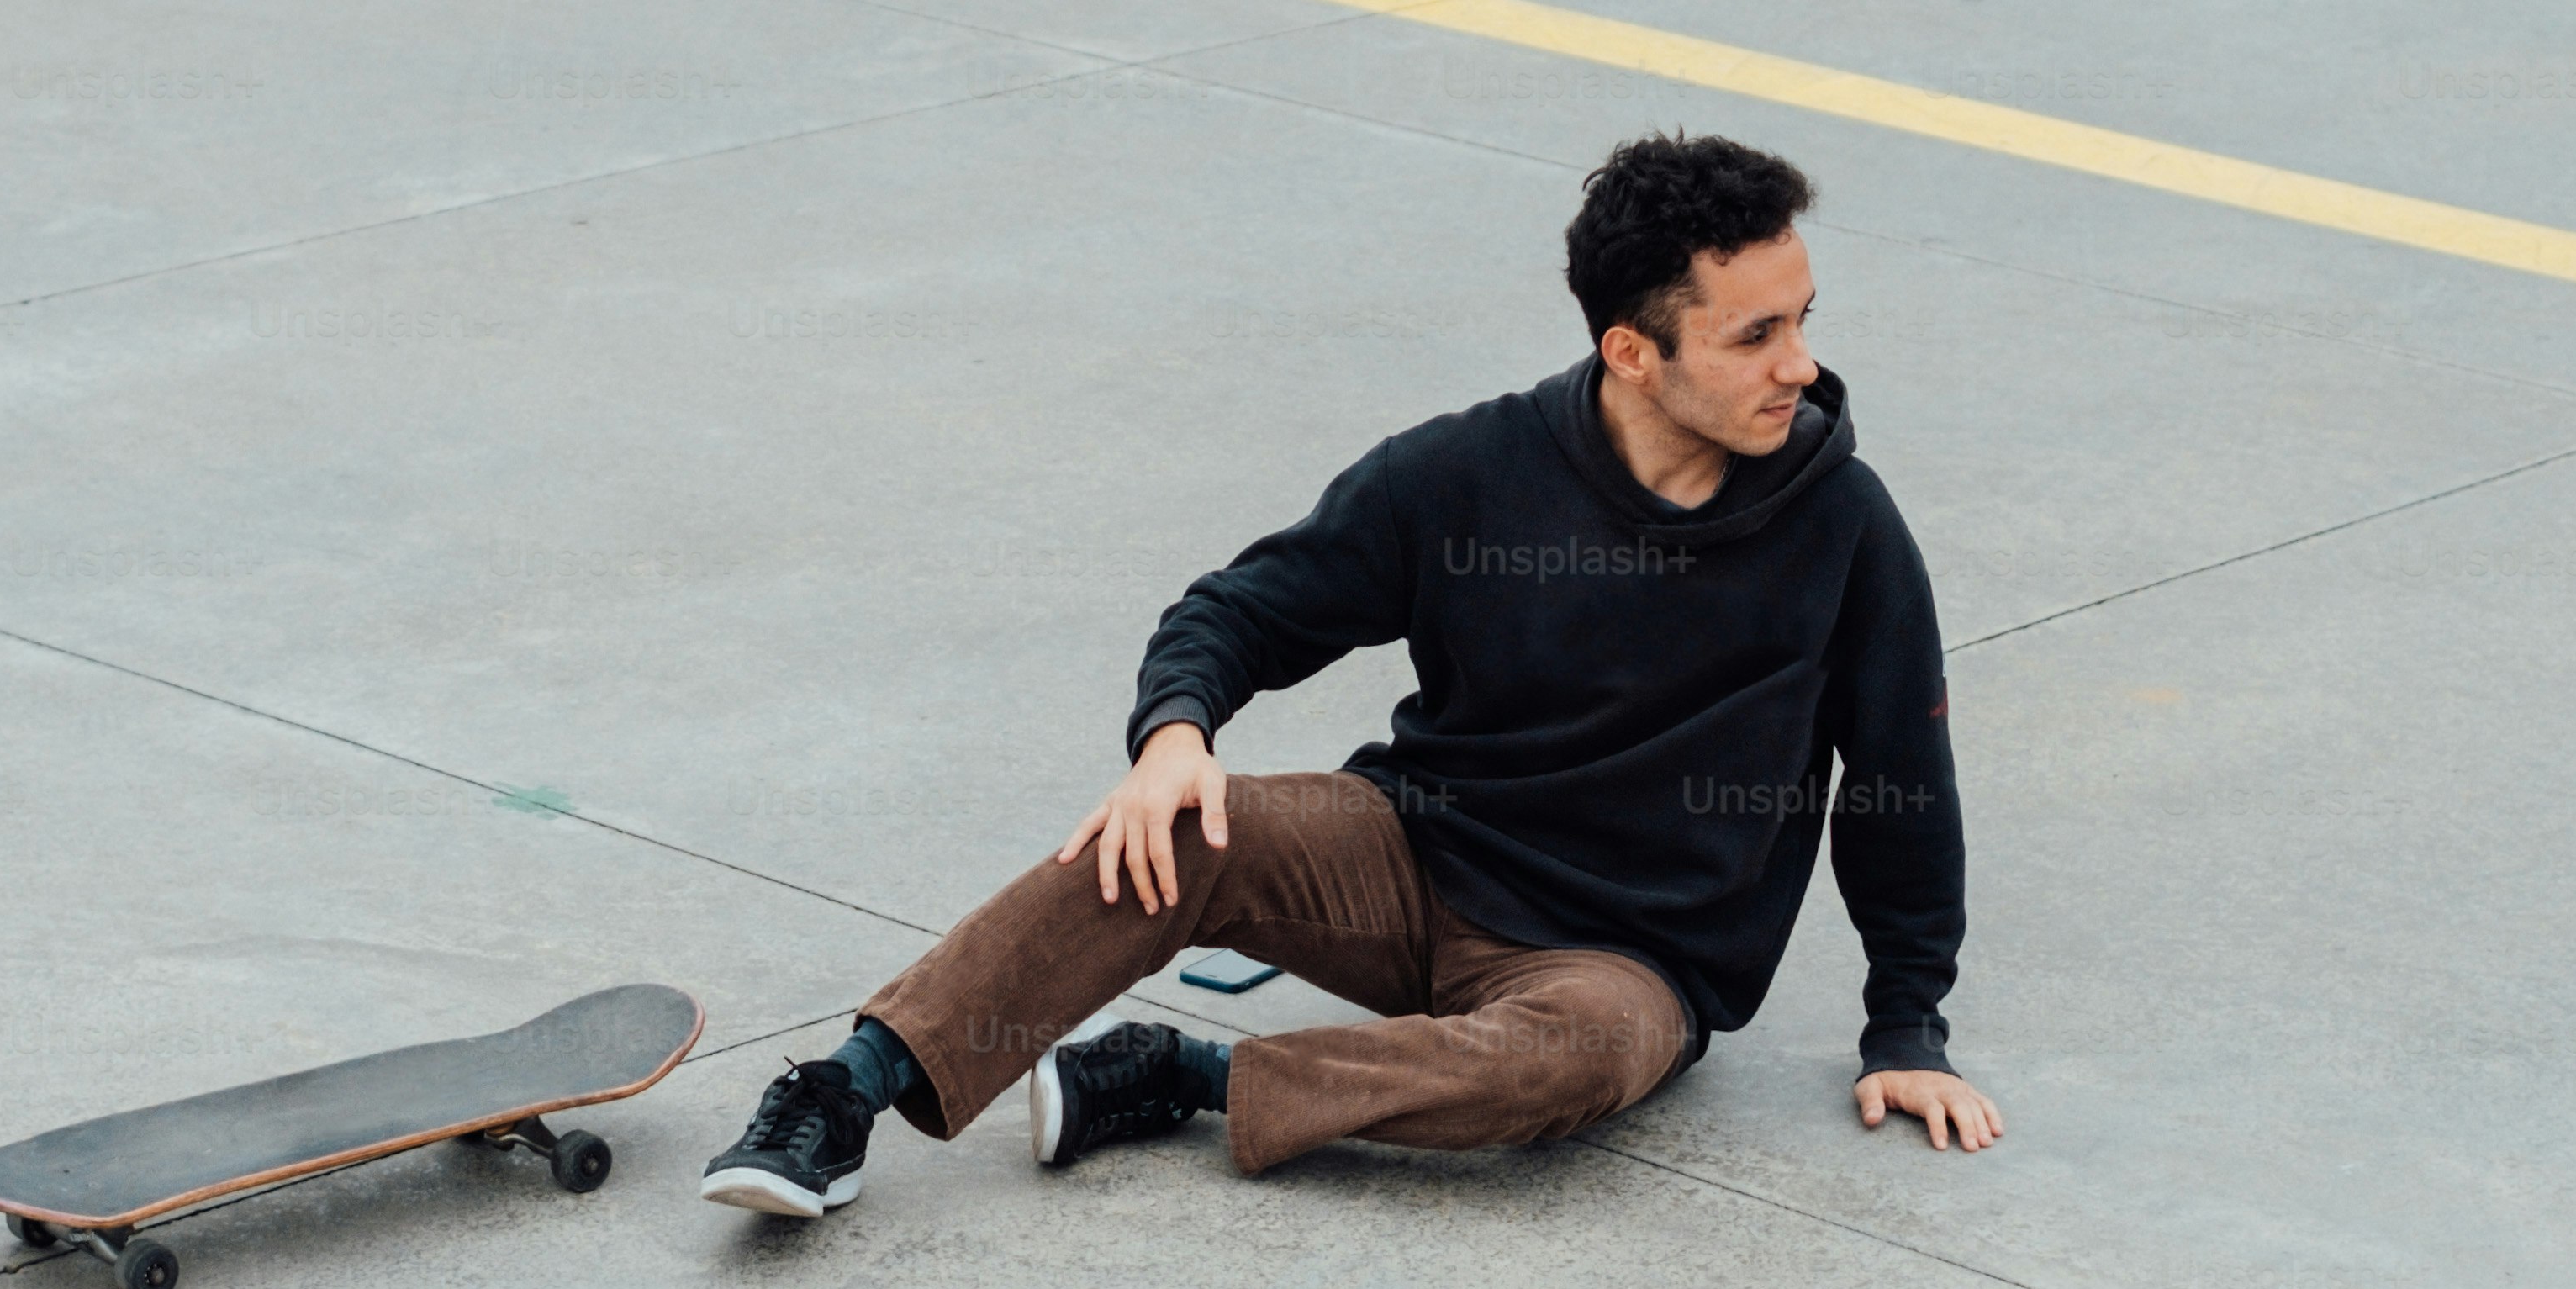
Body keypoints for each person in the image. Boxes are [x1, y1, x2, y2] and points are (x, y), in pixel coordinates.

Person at [702, 129, 1998, 1220]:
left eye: (1804, 320)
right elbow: (1241, 609)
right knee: (1169, 827)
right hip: (1413, 857)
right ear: (1632, 353)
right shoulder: (1467, 474)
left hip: (1626, 959)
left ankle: (1188, 1075)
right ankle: (845, 1090)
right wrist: (1172, 737)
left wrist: (1908, 1029)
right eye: (1757, 334)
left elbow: (1901, 778)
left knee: (1570, 1063)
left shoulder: (1844, 528)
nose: (1803, 365)